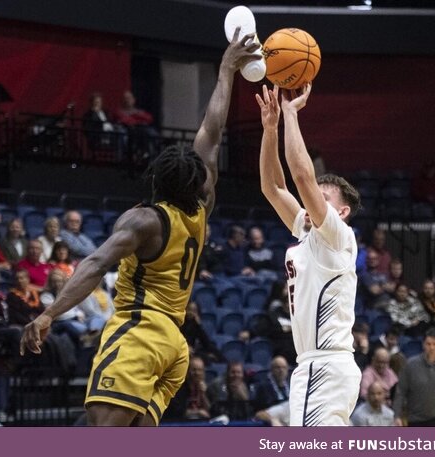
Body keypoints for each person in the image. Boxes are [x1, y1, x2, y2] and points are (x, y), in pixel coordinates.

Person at [20, 30, 260, 426]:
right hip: (173, 348)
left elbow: (96, 264)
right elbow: (212, 132)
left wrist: (49, 315)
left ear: (157, 179)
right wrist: (225, 70)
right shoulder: (202, 206)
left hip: (140, 332)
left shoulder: (146, 220)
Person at [256, 84, 362, 426]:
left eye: (323, 196)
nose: (314, 197)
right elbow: (273, 188)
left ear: (342, 211)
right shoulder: (308, 231)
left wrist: (291, 113)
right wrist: (270, 129)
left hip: (325, 365)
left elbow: (301, 176)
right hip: (322, 366)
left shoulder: (337, 234)